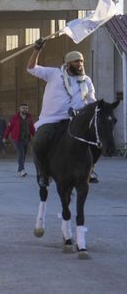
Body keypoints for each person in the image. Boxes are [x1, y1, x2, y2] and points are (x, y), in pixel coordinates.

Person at [26, 39, 98, 185]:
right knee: (39, 142)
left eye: (81, 61)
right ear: (67, 64)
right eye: (76, 61)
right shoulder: (54, 74)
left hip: (76, 121)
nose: (80, 64)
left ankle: (89, 169)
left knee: (97, 143)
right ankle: (43, 172)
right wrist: (37, 50)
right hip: (52, 120)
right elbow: (31, 68)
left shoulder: (86, 80)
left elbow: (91, 101)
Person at [3, 103, 35, 177]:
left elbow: (32, 128)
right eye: (23, 108)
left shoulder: (29, 117)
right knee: (21, 153)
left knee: (24, 155)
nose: (25, 109)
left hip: (26, 139)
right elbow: (9, 128)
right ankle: (22, 170)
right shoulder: (14, 118)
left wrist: (35, 136)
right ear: (20, 109)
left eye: (26, 108)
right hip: (17, 139)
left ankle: (20, 168)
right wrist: (5, 137)